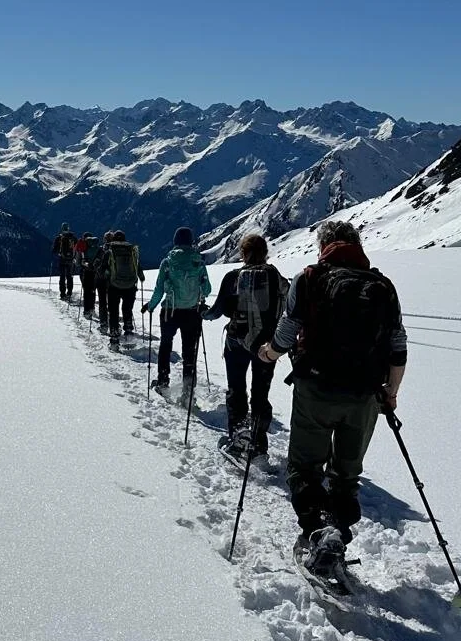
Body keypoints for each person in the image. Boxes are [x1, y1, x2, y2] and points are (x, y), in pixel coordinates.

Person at [258, 220, 407, 578]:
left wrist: (268, 354)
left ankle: (318, 532)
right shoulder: (383, 287)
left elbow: (287, 331)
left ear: (324, 247)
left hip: (316, 389)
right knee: (346, 474)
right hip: (365, 396)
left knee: (305, 466)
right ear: (357, 246)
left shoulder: (309, 278)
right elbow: (398, 347)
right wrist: (391, 393)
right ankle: (337, 531)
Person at [206, 232, 285, 457]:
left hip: (236, 341)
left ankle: (239, 438)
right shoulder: (275, 276)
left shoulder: (233, 276)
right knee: (261, 392)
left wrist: (203, 313)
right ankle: (259, 443)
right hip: (266, 346)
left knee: (236, 389)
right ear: (265, 252)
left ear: (243, 253)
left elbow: (218, 310)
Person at [143, 226, 211, 395]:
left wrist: (150, 306)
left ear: (175, 241)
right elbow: (207, 289)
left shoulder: (167, 262)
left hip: (169, 312)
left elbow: (159, 290)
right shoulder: (198, 262)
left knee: (166, 345)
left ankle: (163, 381)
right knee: (190, 350)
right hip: (193, 312)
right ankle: (188, 387)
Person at [103, 230, 143, 344]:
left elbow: (102, 269)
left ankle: (114, 338)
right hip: (130, 286)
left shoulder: (110, 251)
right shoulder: (131, 250)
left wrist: (105, 276)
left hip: (113, 286)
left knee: (113, 311)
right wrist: (141, 277)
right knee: (127, 309)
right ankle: (129, 331)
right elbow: (137, 266)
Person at [94, 228, 115, 329]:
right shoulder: (117, 250)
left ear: (105, 239)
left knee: (102, 301)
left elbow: (96, 263)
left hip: (101, 279)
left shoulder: (101, 249)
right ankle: (114, 324)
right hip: (114, 281)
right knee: (113, 303)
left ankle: (103, 323)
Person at [75, 231, 100, 311]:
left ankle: (86, 309)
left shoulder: (83, 248)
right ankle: (92, 307)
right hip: (96, 272)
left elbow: (78, 263)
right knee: (93, 289)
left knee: (86, 290)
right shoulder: (97, 248)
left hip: (85, 271)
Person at [51, 223, 76, 301]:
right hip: (71, 260)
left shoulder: (59, 238)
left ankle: (62, 294)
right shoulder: (73, 238)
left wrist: (58, 251)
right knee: (69, 276)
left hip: (62, 260)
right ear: (68, 228)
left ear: (62, 229)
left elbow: (54, 250)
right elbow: (77, 248)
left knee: (62, 277)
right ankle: (69, 293)